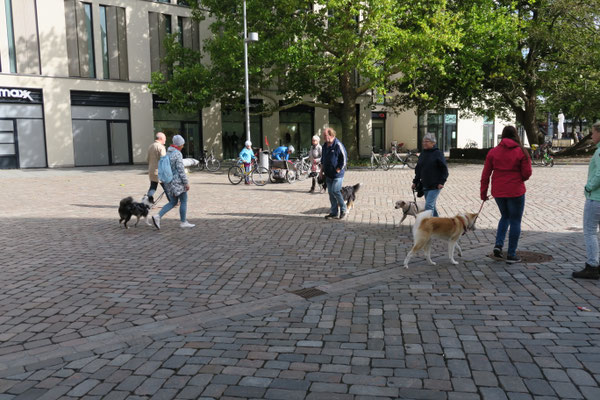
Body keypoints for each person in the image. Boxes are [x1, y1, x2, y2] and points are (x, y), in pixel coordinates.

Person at [480, 126, 532, 264]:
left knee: (505, 216)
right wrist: (518, 178)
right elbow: (527, 173)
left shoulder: (493, 152)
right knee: (515, 220)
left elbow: (485, 174)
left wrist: (483, 193)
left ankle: (498, 245)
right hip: (516, 191)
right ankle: (511, 254)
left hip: (499, 192)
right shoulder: (522, 151)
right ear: (516, 135)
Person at [572, 121, 600, 279]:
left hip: (596, 198)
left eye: (594, 132)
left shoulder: (599, 152)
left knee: (590, 232)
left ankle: (592, 266)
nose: (591, 135)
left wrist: (589, 187)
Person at [151, 135, 195, 229]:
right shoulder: (177, 154)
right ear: (179, 144)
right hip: (177, 182)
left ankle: (158, 216)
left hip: (169, 181)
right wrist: (186, 183)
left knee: (173, 201)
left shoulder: (168, 152)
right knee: (183, 200)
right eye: (182, 144)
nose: (183, 145)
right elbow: (181, 170)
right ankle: (183, 222)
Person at [412, 133, 448, 217]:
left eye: (427, 141)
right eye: (423, 142)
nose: (424, 143)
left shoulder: (438, 154)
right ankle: (438, 224)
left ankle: (429, 226)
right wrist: (415, 182)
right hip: (425, 184)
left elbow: (445, 170)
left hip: (435, 185)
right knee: (431, 206)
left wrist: (441, 182)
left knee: (428, 206)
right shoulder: (423, 154)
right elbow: (418, 169)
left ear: (433, 143)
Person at [320, 127, 348, 219]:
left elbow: (344, 158)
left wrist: (339, 168)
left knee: (336, 191)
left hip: (337, 174)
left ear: (331, 135)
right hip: (328, 174)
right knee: (331, 193)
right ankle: (334, 212)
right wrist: (321, 171)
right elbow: (323, 160)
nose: (324, 137)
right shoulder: (324, 146)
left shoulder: (338, 145)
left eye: (325, 135)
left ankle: (344, 209)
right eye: (323, 135)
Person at [146, 132, 168, 203]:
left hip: (152, 170)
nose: (165, 140)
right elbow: (164, 160)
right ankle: (173, 201)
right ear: (161, 138)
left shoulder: (151, 146)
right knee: (167, 187)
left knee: (153, 187)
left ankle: (149, 201)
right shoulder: (160, 147)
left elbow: (147, 159)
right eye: (165, 138)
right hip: (160, 171)